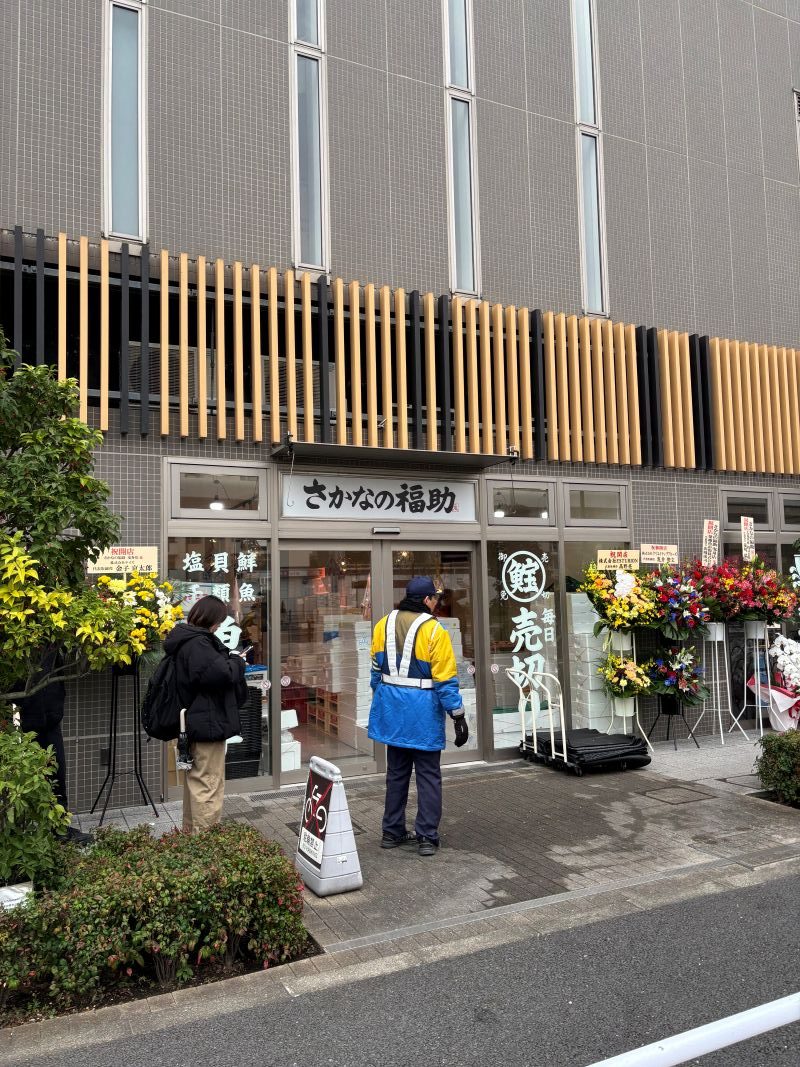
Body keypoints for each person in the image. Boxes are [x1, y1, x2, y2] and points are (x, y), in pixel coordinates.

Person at [368, 576, 468, 857]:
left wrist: (384, 699)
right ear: (426, 599)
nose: (437, 603)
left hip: (392, 710)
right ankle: (426, 836)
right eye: (435, 599)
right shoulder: (434, 630)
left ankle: (391, 832)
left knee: (396, 774)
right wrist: (457, 715)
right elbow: (445, 679)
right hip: (422, 713)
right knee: (428, 776)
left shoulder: (382, 624)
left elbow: (375, 672)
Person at [163, 595, 248, 833]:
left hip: (195, 721)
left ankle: (192, 837)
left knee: (197, 782)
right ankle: (205, 841)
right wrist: (237, 661)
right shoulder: (198, 644)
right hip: (206, 723)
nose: (220, 626)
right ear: (210, 619)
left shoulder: (186, 640)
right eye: (219, 620)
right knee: (208, 785)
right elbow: (221, 674)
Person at [14, 648, 92, 845]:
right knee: (22, 780)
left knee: (57, 774)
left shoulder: (52, 639)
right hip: (22, 716)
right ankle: (25, 833)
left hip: (51, 715)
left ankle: (60, 829)